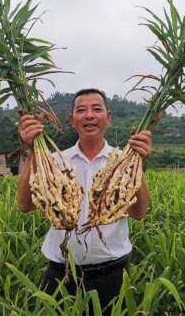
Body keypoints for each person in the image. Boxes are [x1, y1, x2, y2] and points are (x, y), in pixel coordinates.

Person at [17, 88, 152, 314]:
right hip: (61, 273)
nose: (89, 115)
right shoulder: (55, 161)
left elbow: (138, 213)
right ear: (72, 120)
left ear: (108, 117)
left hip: (113, 274)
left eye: (96, 109)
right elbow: (25, 205)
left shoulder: (122, 161)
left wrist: (138, 162)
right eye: (81, 110)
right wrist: (32, 150)